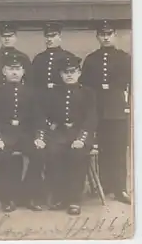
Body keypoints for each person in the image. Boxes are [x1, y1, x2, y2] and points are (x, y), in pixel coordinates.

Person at [79, 21, 131, 204]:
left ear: (115, 35)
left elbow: (132, 84)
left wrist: (128, 106)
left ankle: (120, 188)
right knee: (101, 149)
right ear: (97, 37)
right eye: (102, 34)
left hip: (117, 110)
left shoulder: (124, 58)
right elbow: (85, 86)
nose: (106, 37)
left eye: (109, 34)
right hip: (98, 110)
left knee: (117, 149)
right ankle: (105, 184)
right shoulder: (91, 59)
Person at [39, 56, 97, 215]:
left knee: (77, 154)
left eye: (73, 72)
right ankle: (60, 196)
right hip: (59, 133)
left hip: (81, 133)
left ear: (79, 73)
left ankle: (74, 199)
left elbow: (91, 118)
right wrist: (49, 129)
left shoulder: (88, 93)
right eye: (65, 72)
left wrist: (81, 139)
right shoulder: (52, 93)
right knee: (52, 153)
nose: (69, 75)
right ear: (61, 74)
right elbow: (45, 115)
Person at [0, 54, 44, 212]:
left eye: (17, 69)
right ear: (4, 71)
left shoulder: (32, 93)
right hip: (4, 135)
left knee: (39, 154)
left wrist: (39, 138)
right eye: (11, 69)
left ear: (23, 71)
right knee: (3, 156)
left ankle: (29, 195)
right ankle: (8, 197)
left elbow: (39, 119)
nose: (14, 72)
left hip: (25, 135)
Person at [32, 23, 75, 91]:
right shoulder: (38, 58)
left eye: (52, 36)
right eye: (47, 36)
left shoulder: (68, 56)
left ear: (60, 37)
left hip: (61, 96)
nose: (49, 39)